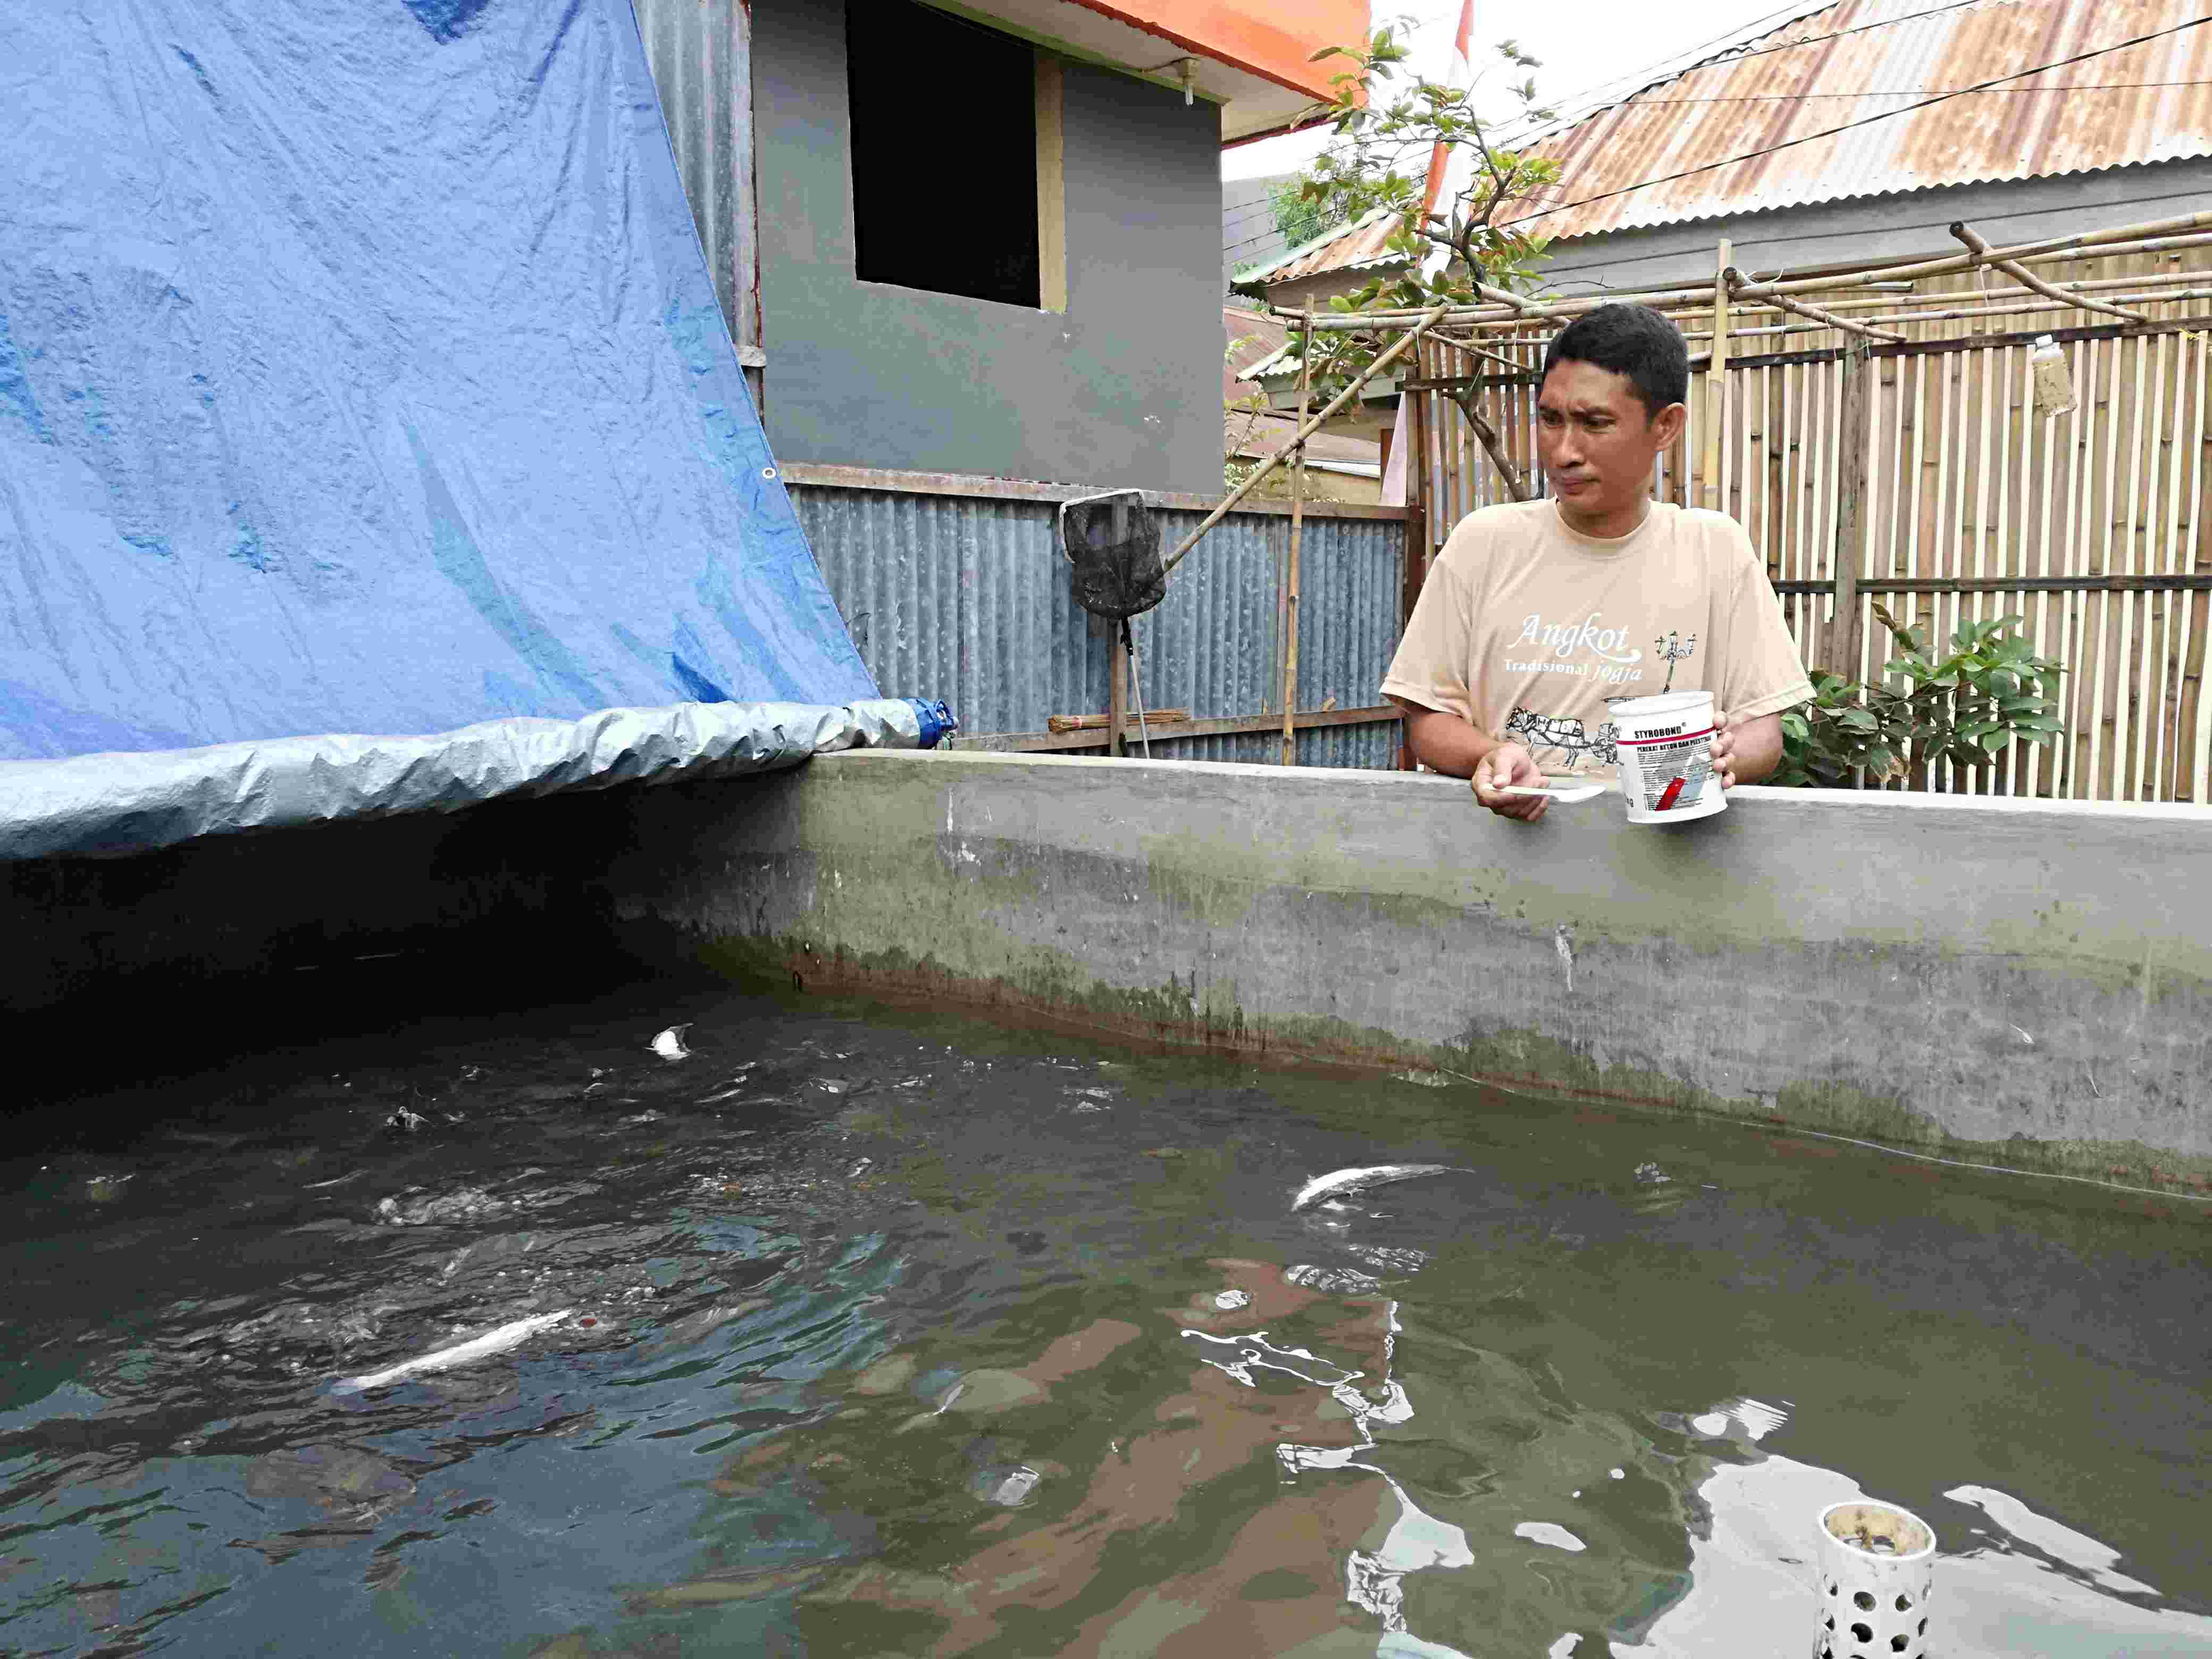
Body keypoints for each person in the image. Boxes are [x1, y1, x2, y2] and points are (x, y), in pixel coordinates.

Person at [1381, 303, 1812, 822]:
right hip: (1498, 873)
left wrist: (1724, 757)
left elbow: (1761, 731)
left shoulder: (1714, 550)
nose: (1563, 451)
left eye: (1594, 423)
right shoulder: (1482, 544)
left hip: (1666, 874)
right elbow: (1429, 720)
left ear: (1665, 427)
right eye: (1550, 419)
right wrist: (1488, 756)